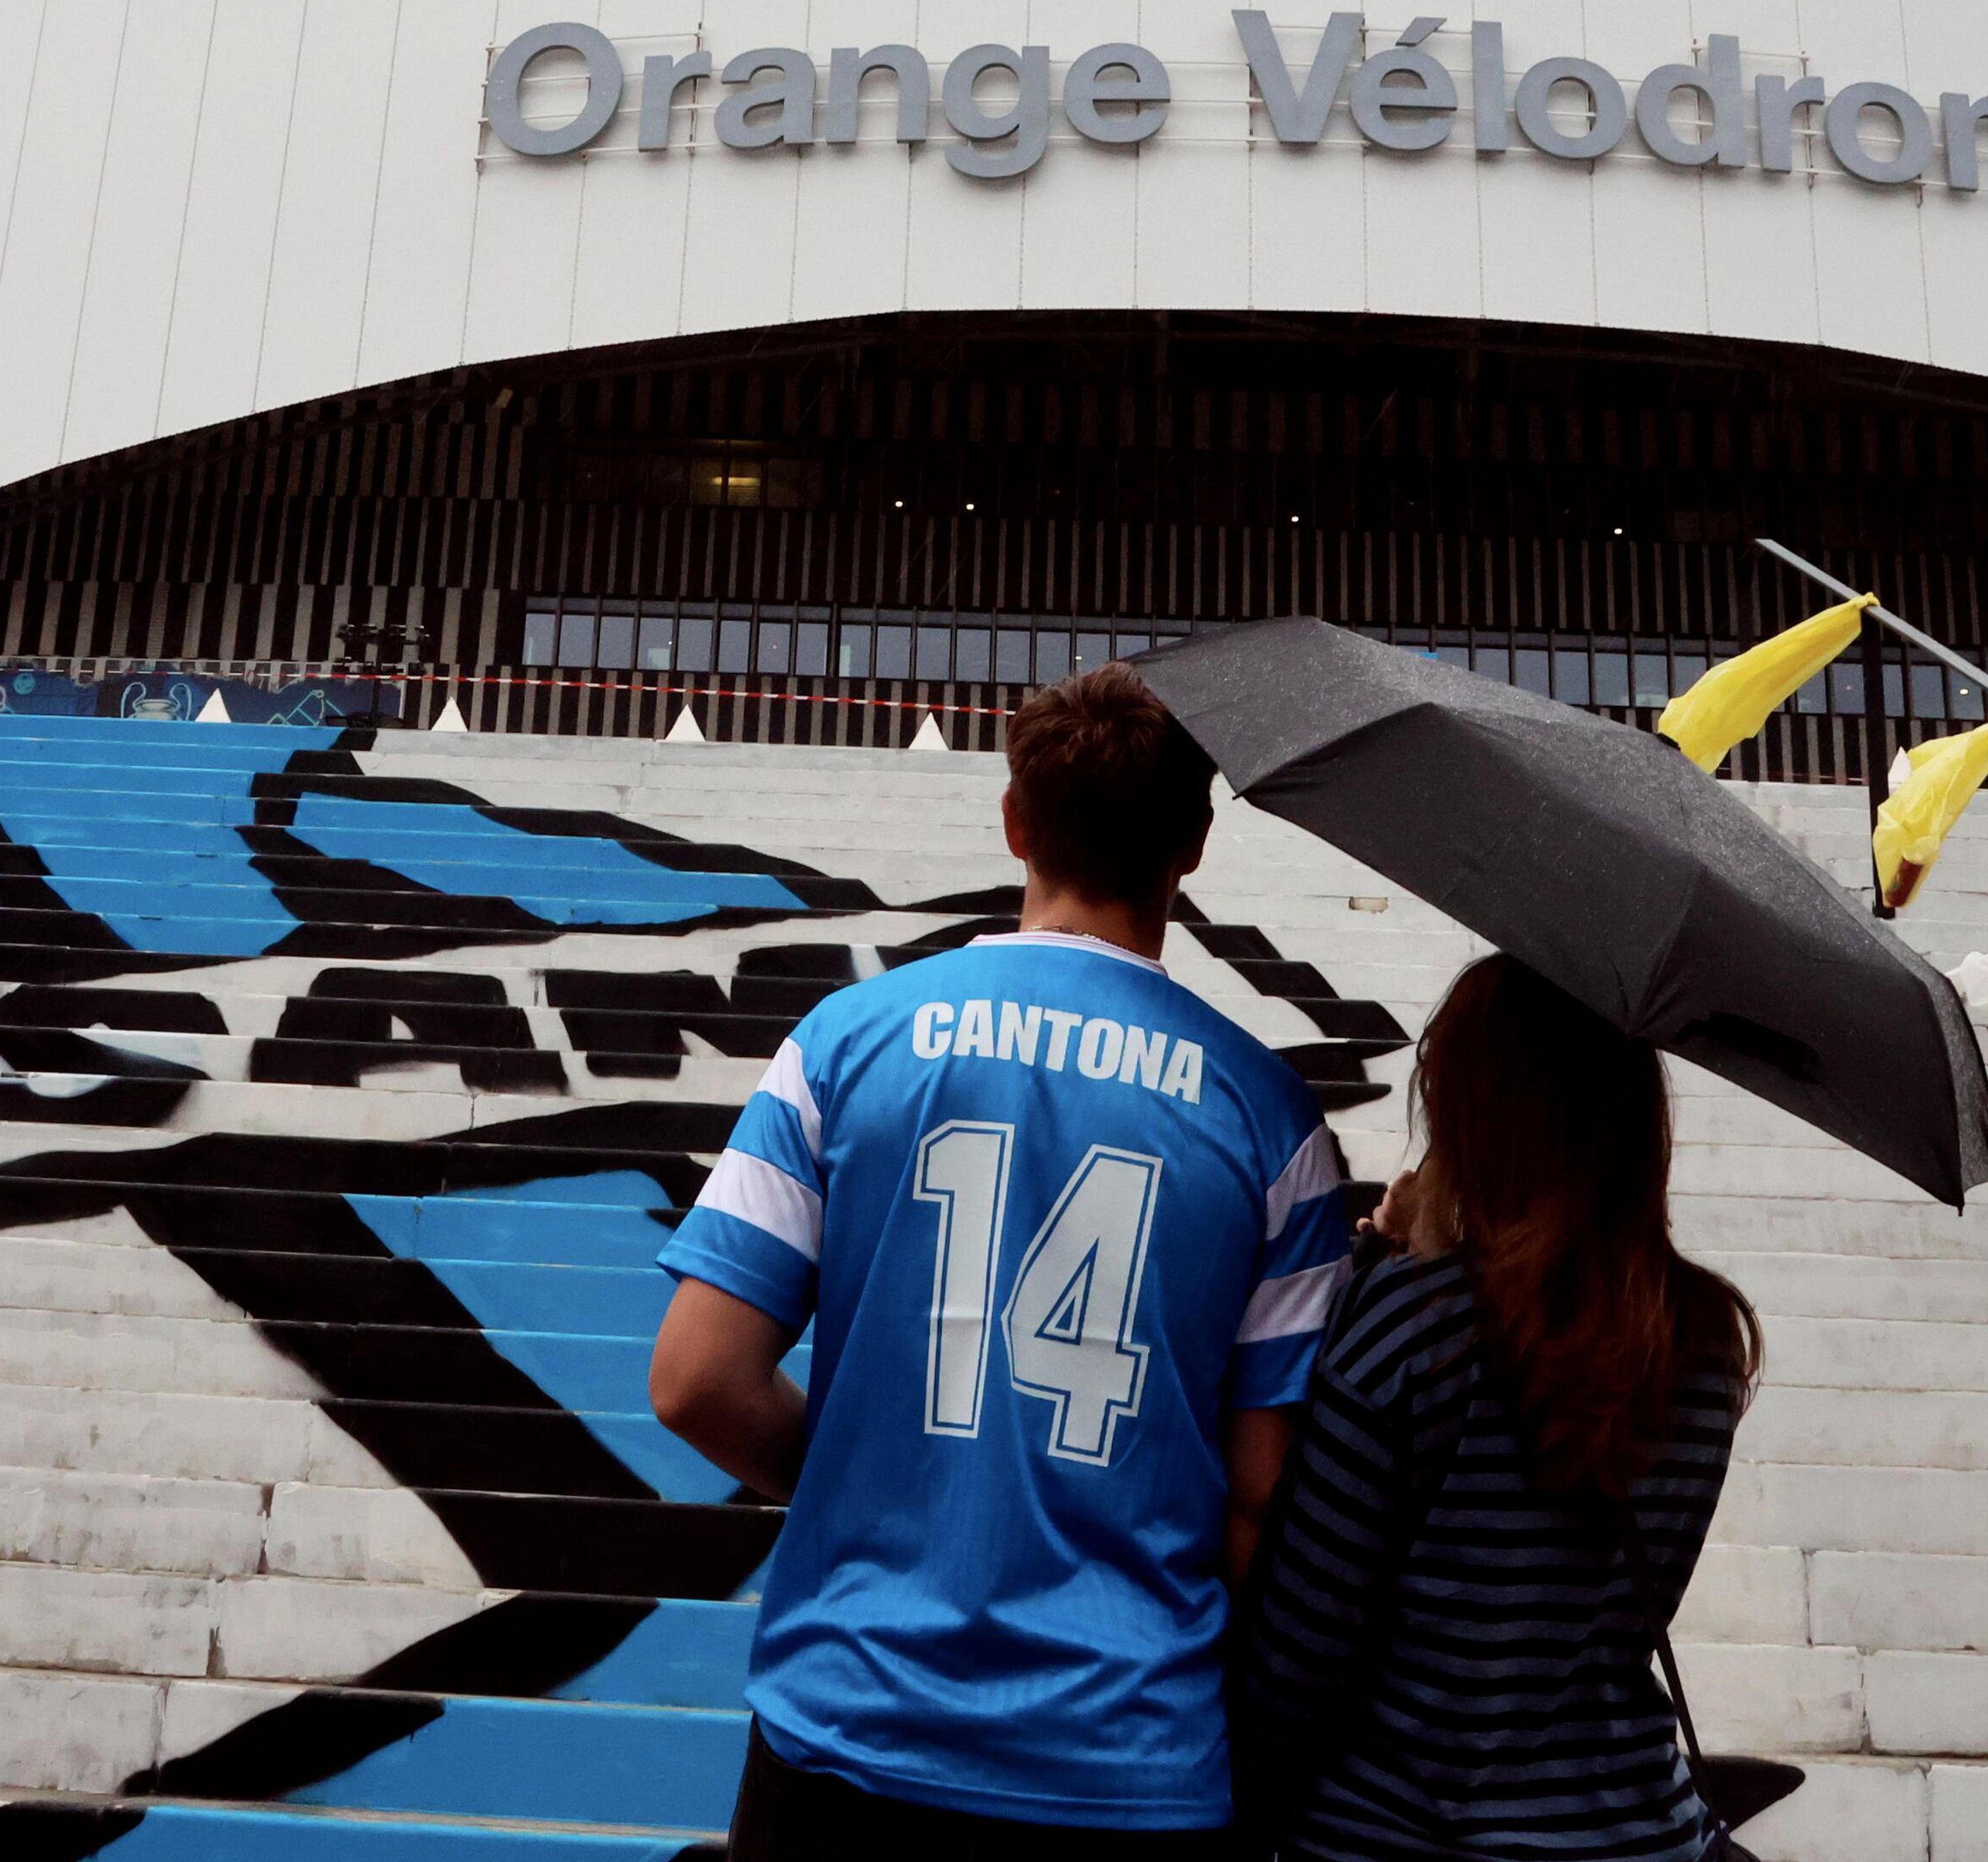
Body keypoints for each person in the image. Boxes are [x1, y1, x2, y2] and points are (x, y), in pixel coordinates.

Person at [649, 663, 1353, 1857]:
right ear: (1193, 844)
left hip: (850, 1726)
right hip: (1129, 1758)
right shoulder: (1276, 1122)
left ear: (1016, 820)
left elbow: (695, 1378)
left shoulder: (843, 1041)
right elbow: (1261, 1493)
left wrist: (866, 1484)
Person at [1235, 953, 1765, 1862]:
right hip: (1629, 1829)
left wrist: (1380, 1276)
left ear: (1478, 1117)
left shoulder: (1413, 1333)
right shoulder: (1704, 1338)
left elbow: (1298, 1655)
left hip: (1393, 1831)